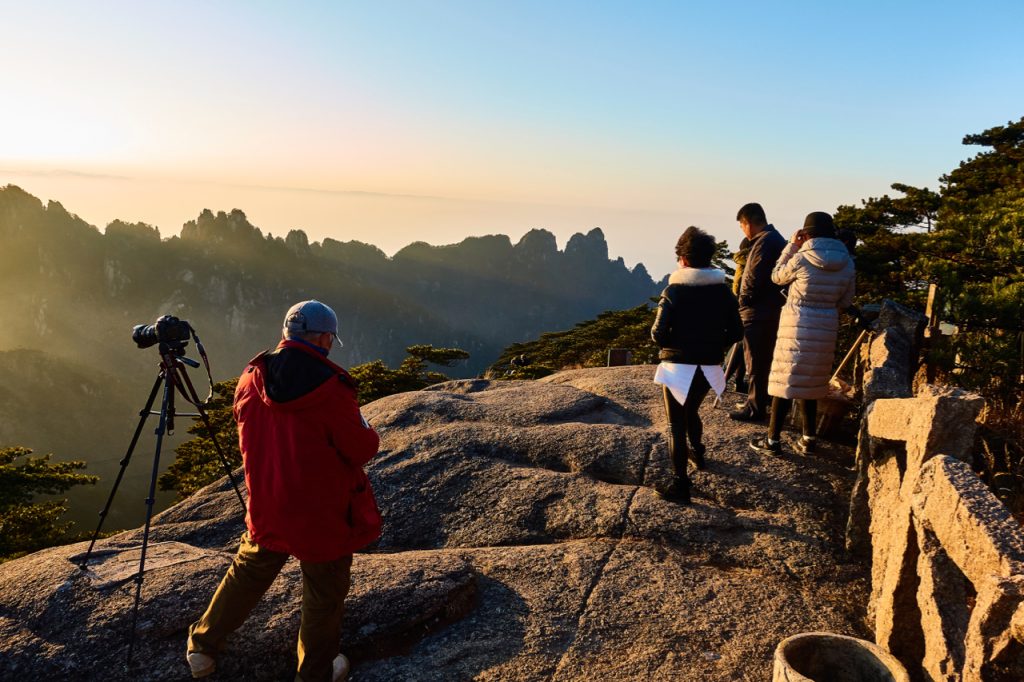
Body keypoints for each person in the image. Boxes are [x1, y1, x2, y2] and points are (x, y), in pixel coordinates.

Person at [186, 300, 381, 681]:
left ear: (286, 333)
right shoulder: (332, 387)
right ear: (325, 338)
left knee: (247, 572)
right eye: (329, 339)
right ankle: (316, 672)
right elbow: (362, 449)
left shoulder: (250, 378)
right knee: (323, 595)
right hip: (322, 512)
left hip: (269, 502)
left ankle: (202, 649)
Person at [750, 212, 856, 456]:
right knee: (813, 382)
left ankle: (773, 441)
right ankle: (809, 439)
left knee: (785, 381)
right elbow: (846, 299)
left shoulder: (802, 257)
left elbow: (777, 277)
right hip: (826, 327)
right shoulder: (848, 262)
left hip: (796, 325)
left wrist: (792, 246)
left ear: (806, 233)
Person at [651, 227, 743, 504]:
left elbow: (657, 334)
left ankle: (680, 484)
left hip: (678, 367)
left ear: (683, 259)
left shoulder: (674, 291)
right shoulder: (723, 293)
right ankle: (698, 452)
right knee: (691, 410)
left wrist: (676, 344)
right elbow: (737, 334)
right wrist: (713, 344)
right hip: (709, 367)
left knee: (675, 423)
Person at [730, 203, 787, 422]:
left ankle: (755, 408)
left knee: (755, 361)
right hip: (769, 311)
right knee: (763, 360)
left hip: (758, 313)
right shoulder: (775, 239)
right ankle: (758, 402)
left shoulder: (764, 242)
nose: (743, 231)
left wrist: (743, 303)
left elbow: (752, 279)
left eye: (742, 226)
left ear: (748, 223)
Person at [724, 237, 751, 393]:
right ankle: (726, 378)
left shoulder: (742, 263)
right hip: (746, 307)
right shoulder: (749, 262)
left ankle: (737, 381)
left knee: (742, 344)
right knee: (741, 344)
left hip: (740, 306)